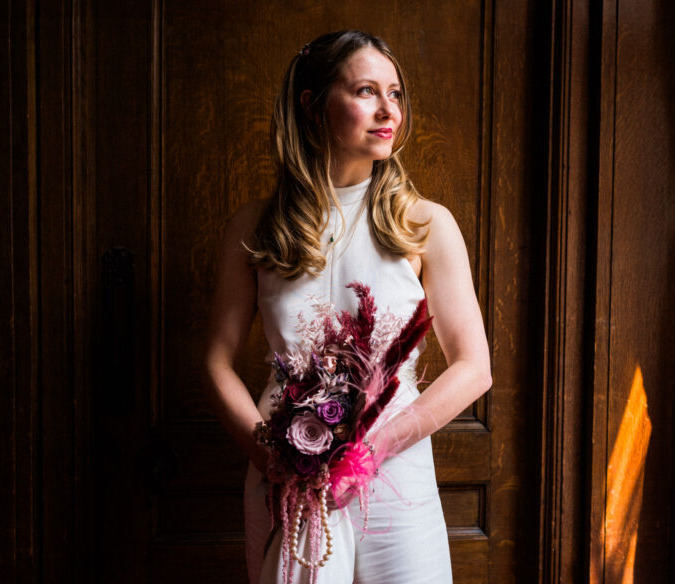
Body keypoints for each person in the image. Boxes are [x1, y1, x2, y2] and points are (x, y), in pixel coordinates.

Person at [202, 29, 492, 584]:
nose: (389, 110)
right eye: (366, 91)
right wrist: (272, 460)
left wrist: (373, 450)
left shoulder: (426, 225)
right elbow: (217, 361)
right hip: (285, 477)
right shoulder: (255, 227)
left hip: (395, 477)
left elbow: (474, 367)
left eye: (397, 94)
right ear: (313, 104)